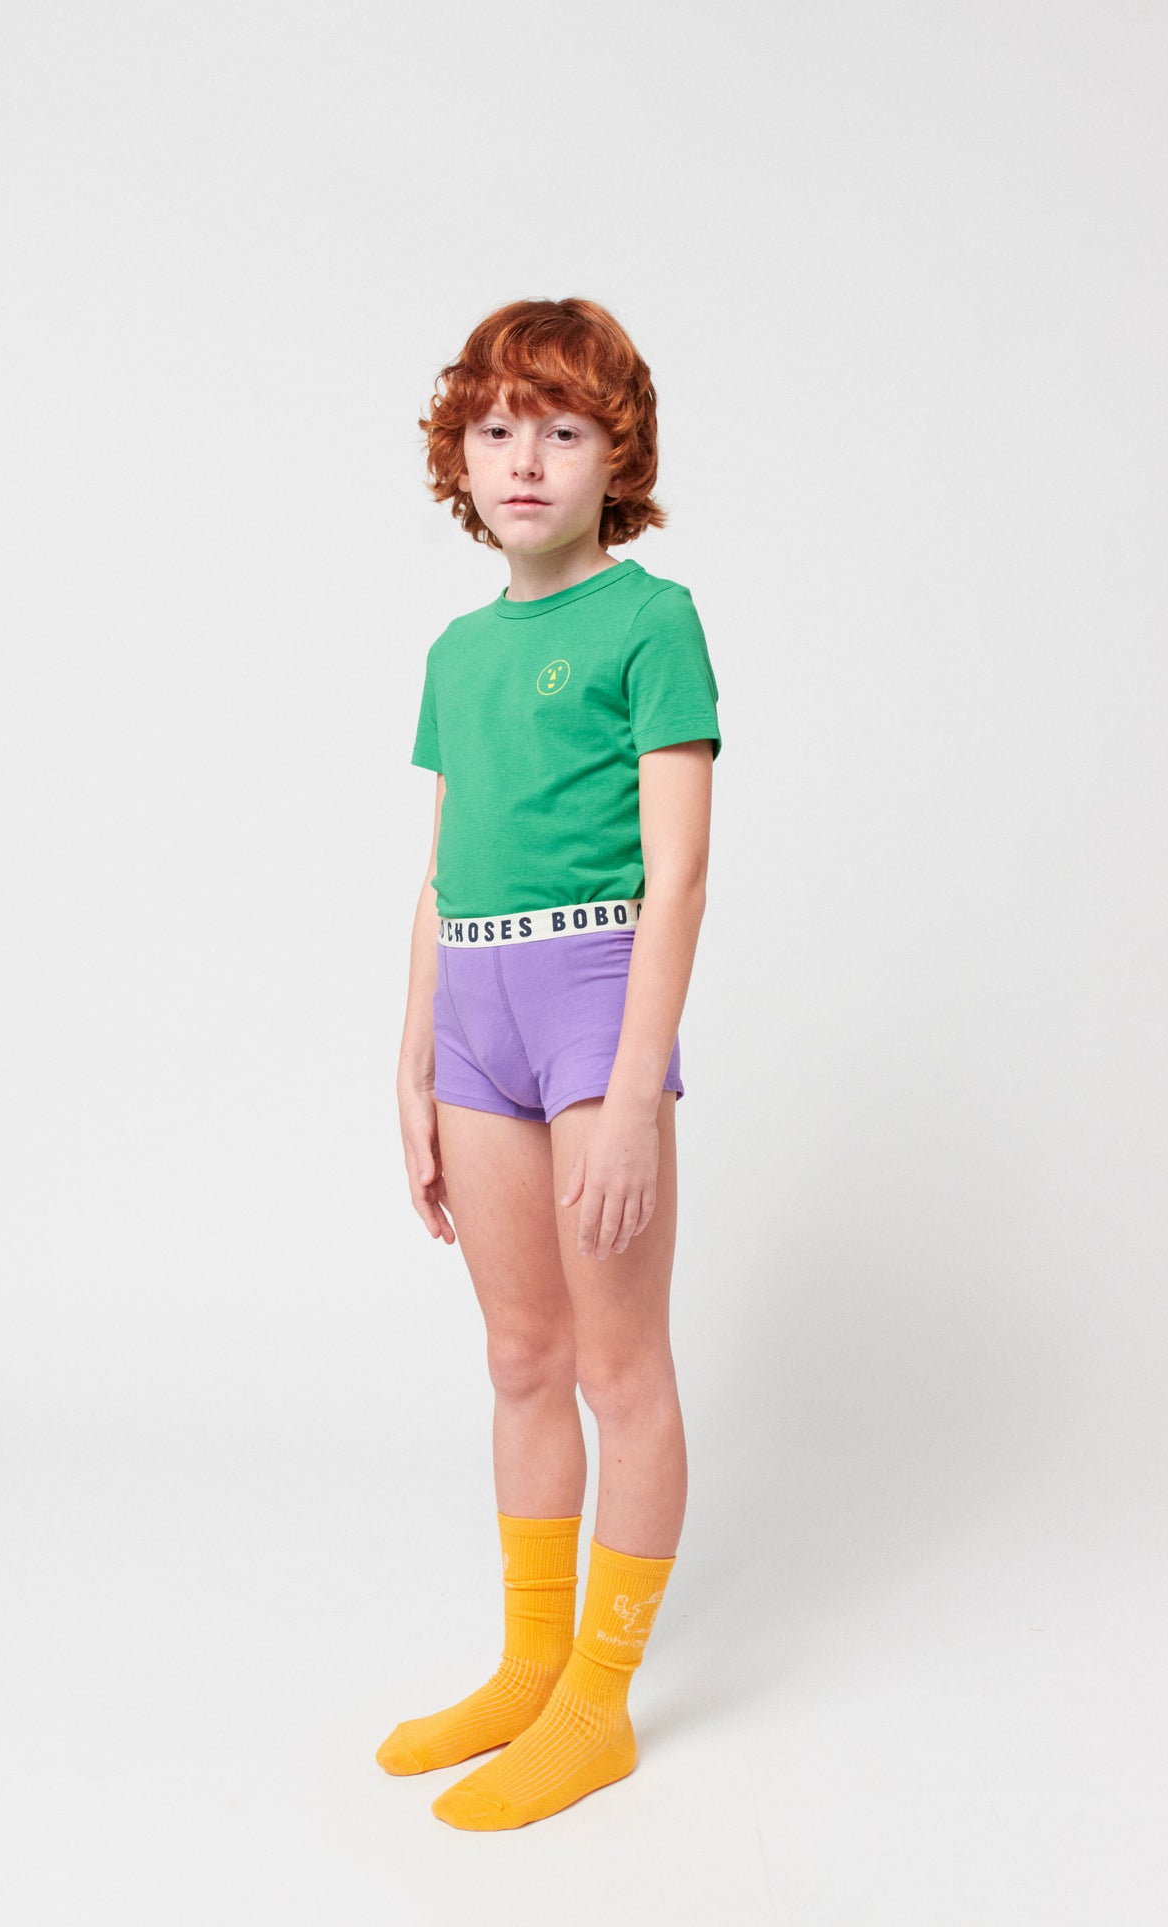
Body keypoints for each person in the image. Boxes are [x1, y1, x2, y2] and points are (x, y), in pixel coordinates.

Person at [379, 296, 722, 1831]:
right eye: (499, 428)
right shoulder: (457, 653)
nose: (526, 460)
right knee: (521, 1360)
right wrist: (410, 1065)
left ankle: (598, 1702)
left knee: (614, 1365)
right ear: (460, 455)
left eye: (564, 431)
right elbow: (440, 866)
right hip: (475, 1009)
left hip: (592, 996)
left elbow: (681, 872)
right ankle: (528, 1664)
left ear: (614, 458)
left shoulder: (652, 621)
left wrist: (634, 1087)